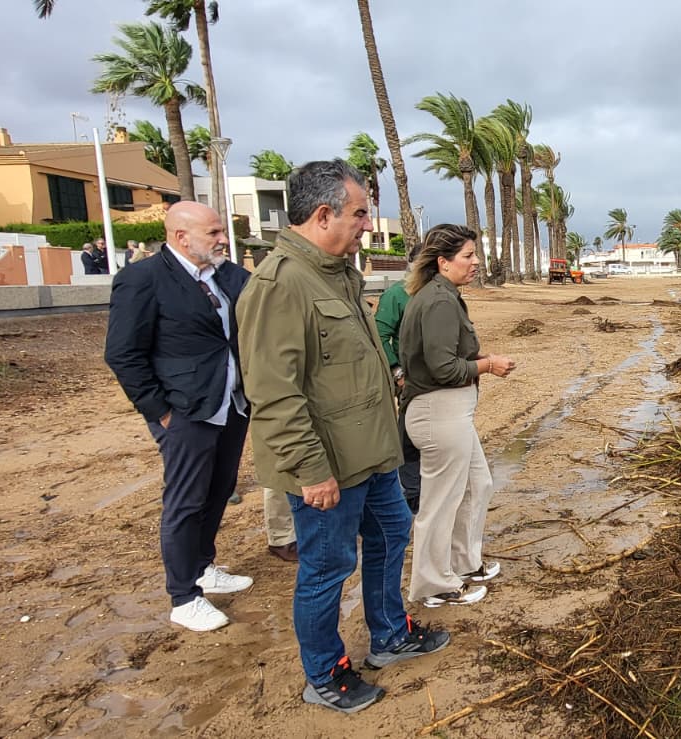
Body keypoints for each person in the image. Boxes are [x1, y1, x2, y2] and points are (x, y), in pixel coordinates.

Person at [238, 160, 448, 714]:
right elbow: (275, 393)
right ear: (324, 212)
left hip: (373, 453)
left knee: (391, 533)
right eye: (359, 213)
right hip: (328, 465)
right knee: (328, 566)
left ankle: (389, 635)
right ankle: (325, 673)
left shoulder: (336, 274)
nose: (365, 224)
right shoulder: (280, 284)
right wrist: (311, 472)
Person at [103, 201, 253, 632]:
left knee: (219, 488)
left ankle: (203, 565)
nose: (223, 240)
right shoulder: (142, 280)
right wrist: (160, 412)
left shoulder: (227, 277)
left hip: (231, 404)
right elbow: (122, 354)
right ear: (180, 236)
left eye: (221, 231)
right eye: (214, 233)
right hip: (185, 410)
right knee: (185, 501)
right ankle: (183, 595)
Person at [400, 223, 515, 608]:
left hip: (449, 412)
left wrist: (480, 363)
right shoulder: (439, 301)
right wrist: (488, 366)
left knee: (476, 485)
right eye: (468, 256)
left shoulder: (442, 295)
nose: (476, 262)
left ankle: (463, 563)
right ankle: (433, 585)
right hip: (438, 411)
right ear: (443, 261)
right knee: (440, 502)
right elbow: (442, 367)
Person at [374, 276, 423, 513]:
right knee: (408, 435)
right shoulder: (396, 295)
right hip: (409, 381)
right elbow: (380, 335)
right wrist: (397, 370)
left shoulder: (441, 292)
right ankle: (413, 492)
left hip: (437, 382)